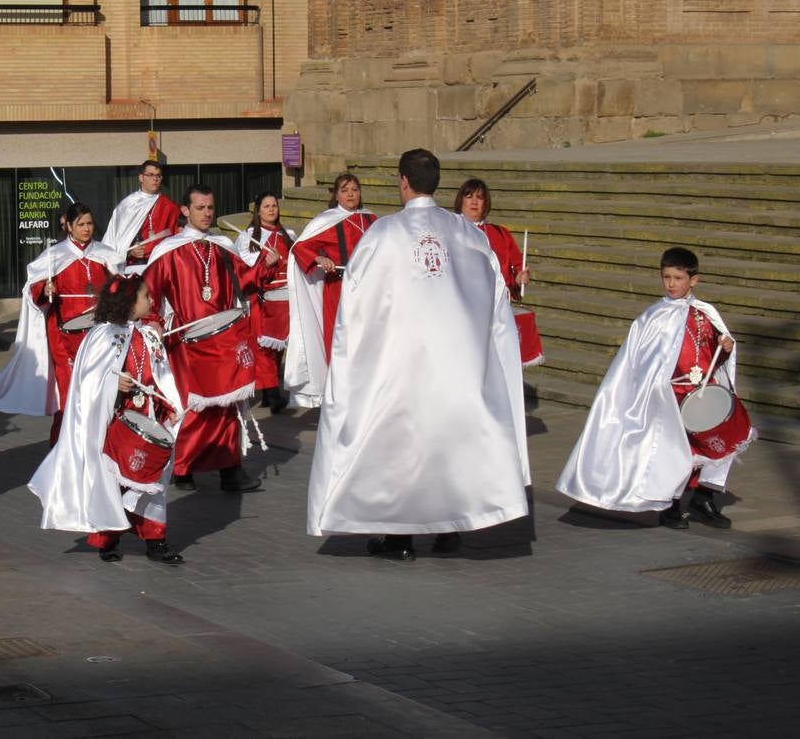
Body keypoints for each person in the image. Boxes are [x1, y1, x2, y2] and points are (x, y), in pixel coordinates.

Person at [306, 149, 530, 562]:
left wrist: (352, 359)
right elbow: (495, 299)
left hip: (400, 361)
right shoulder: (468, 234)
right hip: (456, 361)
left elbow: (356, 303)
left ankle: (400, 538)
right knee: (449, 442)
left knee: (403, 448)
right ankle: (451, 529)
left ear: (402, 182)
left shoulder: (382, 234)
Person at [556, 247, 751, 530]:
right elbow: (638, 361)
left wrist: (727, 347)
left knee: (718, 443)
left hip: (703, 392)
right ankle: (669, 504)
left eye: (678, 278)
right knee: (672, 451)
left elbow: (716, 353)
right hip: (670, 395)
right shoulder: (652, 317)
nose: (671, 284)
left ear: (693, 280)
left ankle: (704, 497)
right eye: (666, 277)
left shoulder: (706, 313)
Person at [28, 275, 186, 565]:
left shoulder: (150, 335)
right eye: (146, 297)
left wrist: (169, 404)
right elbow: (88, 381)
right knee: (113, 480)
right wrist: (113, 384)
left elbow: (162, 376)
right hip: (115, 420)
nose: (152, 302)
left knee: (152, 479)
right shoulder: (103, 335)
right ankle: (108, 537)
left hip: (147, 415)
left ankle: (155, 539)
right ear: (128, 302)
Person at [142, 184, 265, 491]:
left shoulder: (223, 245)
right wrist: (153, 321)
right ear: (185, 211)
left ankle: (229, 468)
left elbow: (244, 280)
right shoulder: (168, 251)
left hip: (222, 338)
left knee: (227, 406)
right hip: (185, 339)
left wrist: (266, 265)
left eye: (210, 208)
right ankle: (183, 468)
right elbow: (147, 294)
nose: (207, 213)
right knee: (191, 408)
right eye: (200, 208)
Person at [0, 202, 120, 441]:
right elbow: (33, 288)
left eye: (89, 224)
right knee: (69, 394)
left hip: (99, 335)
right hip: (64, 336)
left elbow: (119, 285)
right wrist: (45, 288)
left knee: (99, 393)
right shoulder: (54, 256)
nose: (87, 229)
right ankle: (63, 448)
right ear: (69, 226)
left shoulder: (105, 254)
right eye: (81, 224)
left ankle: (98, 446)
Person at [285, 173, 378, 409]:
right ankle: (340, 397)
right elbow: (300, 247)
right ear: (336, 195)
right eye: (345, 190)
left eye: (355, 190)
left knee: (369, 342)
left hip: (368, 291)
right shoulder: (328, 221)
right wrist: (318, 258)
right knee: (341, 343)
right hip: (339, 290)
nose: (350, 194)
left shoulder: (372, 219)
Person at [455, 179, 543, 367]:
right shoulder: (450, 230)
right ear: (460, 201)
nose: (474, 202)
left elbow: (517, 267)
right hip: (462, 312)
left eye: (479, 197)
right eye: (469, 196)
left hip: (496, 313)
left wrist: (520, 278)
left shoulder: (500, 234)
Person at [237, 192, 294, 413]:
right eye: (266, 206)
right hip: (263, 301)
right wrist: (265, 263)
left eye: (274, 205)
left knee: (278, 348)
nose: (271, 209)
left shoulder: (288, 234)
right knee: (264, 349)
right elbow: (245, 271)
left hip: (287, 299)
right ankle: (272, 393)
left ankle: (270, 392)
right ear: (258, 210)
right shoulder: (248, 237)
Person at [103, 160, 182, 274]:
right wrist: (129, 252)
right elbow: (114, 240)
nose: (155, 179)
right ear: (141, 177)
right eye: (150, 175)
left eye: (158, 175)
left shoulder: (170, 207)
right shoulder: (127, 205)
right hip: (132, 267)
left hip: (160, 267)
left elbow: (177, 239)